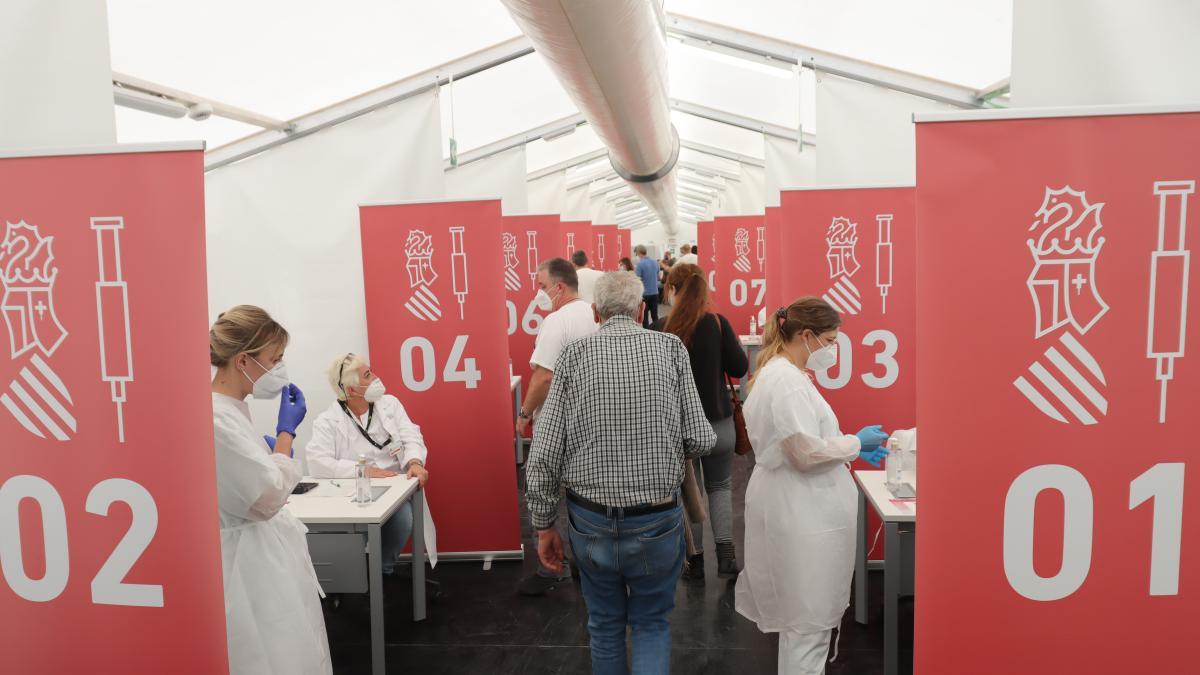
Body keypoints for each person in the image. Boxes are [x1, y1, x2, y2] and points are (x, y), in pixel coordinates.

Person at [526, 272, 716, 674]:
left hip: (590, 519)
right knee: (650, 624)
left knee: (605, 626)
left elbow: (544, 453)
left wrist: (544, 525)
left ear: (596, 313)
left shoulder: (573, 356)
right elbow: (700, 439)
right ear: (642, 309)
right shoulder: (670, 350)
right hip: (657, 519)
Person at [735, 298, 890, 675]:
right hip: (802, 513)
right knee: (808, 625)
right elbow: (803, 453)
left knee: (803, 628)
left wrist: (843, 451)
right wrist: (855, 443)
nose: (834, 350)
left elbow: (802, 444)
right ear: (806, 336)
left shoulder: (782, 374)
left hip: (798, 507)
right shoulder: (786, 382)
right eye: (831, 340)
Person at [209, 305, 331, 674]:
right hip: (249, 566)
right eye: (274, 359)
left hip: (264, 555)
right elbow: (266, 499)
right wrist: (284, 438)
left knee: (294, 648)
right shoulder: (215, 418)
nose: (279, 368)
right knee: (274, 655)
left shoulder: (230, 411)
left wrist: (269, 454)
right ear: (243, 360)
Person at [655, 263, 748, 579]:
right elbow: (738, 367)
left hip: (679, 430)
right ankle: (727, 557)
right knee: (720, 487)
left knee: (688, 492)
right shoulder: (718, 324)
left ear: (671, 289)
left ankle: (694, 560)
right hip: (719, 425)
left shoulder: (659, 328)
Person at [307, 353, 433, 573]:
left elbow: (411, 435)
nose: (376, 377)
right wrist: (364, 471)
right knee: (348, 531)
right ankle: (351, 576)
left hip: (395, 486)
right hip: (352, 490)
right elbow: (317, 462)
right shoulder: (328, 421)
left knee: (402, 519)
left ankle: (381, 571)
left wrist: (415, 461)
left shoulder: (390, 405)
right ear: (351, 390)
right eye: (367, 375)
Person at [516, 257, 598, 595]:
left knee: (544, 487)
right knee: (582, 494)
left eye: (541, 285)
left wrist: (524, 414)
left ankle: (550, 567)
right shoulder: (594, 314)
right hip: (590, 419)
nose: (538, 292)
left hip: (557, 420)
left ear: (559, 287)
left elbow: (544, 375)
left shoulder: (557, 321)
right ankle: (583, 563)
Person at [634, 245, 660, 328]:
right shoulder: (655, 262)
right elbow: (658, 277)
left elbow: (637, 280)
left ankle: (647, 334)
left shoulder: (640, 264)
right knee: (655, 315)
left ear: (638, 253)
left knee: (644, 317)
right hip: (655, 292)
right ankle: (657, 332)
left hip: (644, 294)